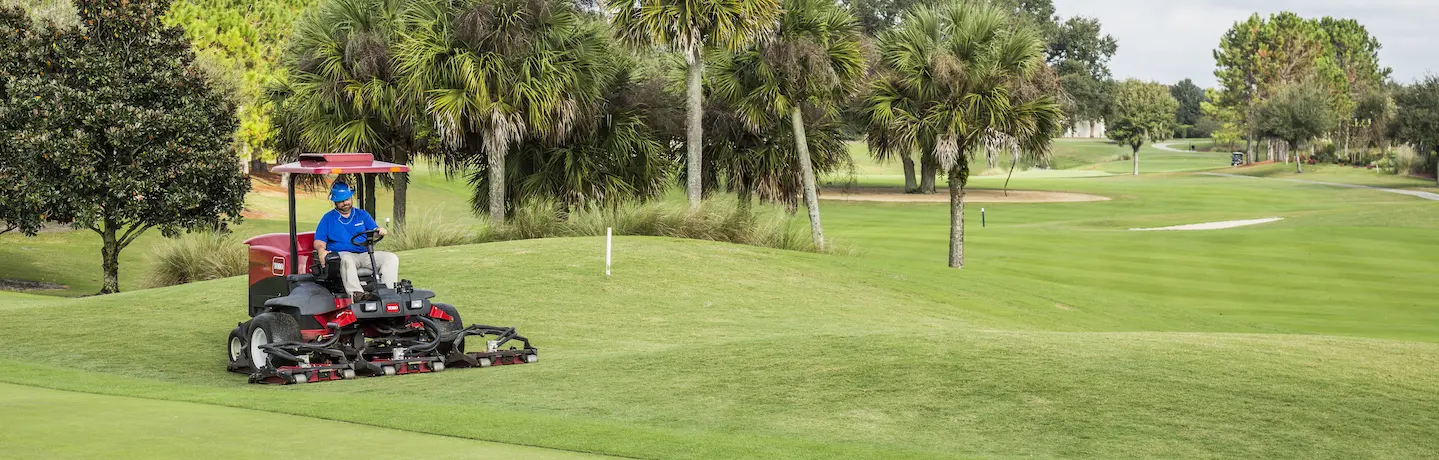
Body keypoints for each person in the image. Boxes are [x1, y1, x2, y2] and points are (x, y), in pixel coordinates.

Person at [313, 182, 398, 301]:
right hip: (344, 254)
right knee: (346, 259)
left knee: (391, 258)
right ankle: (357, 294)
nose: (345, 203)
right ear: (335, 202)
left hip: (365, 253)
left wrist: (378, 231)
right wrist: (321, 251)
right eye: (341, 201)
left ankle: (387, 293)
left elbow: (373, 231)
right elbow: (319, 241)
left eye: (347, 199)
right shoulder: (328, 219)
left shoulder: (362, 215)